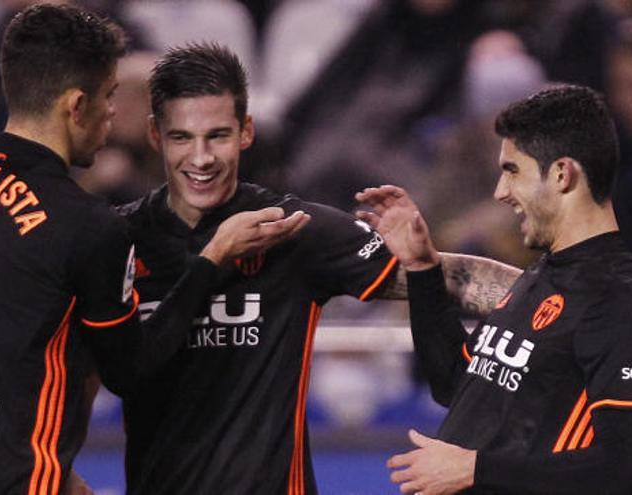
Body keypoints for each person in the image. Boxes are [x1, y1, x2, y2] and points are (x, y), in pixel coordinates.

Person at [0, 6, 306, 494]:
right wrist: (212, 259)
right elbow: (131, 369)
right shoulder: (86, 225)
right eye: (108, 97)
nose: (111, 115)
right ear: (76, 105)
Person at [117, 42, 519, 495]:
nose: (202, 158)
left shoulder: (295, 230)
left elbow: (447, 276)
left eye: (218, 136)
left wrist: (563, 299)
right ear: (155, 135)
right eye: (181, 138)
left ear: (246, 131)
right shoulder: (119, 239)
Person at [358, 85, 632, 494]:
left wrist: (475, 469)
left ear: (562, 174)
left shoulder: (619, 302)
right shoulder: (544, 275)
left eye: (512, 171)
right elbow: (454, 384)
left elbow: (617, 472)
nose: (501, 192)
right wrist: (422, 270)